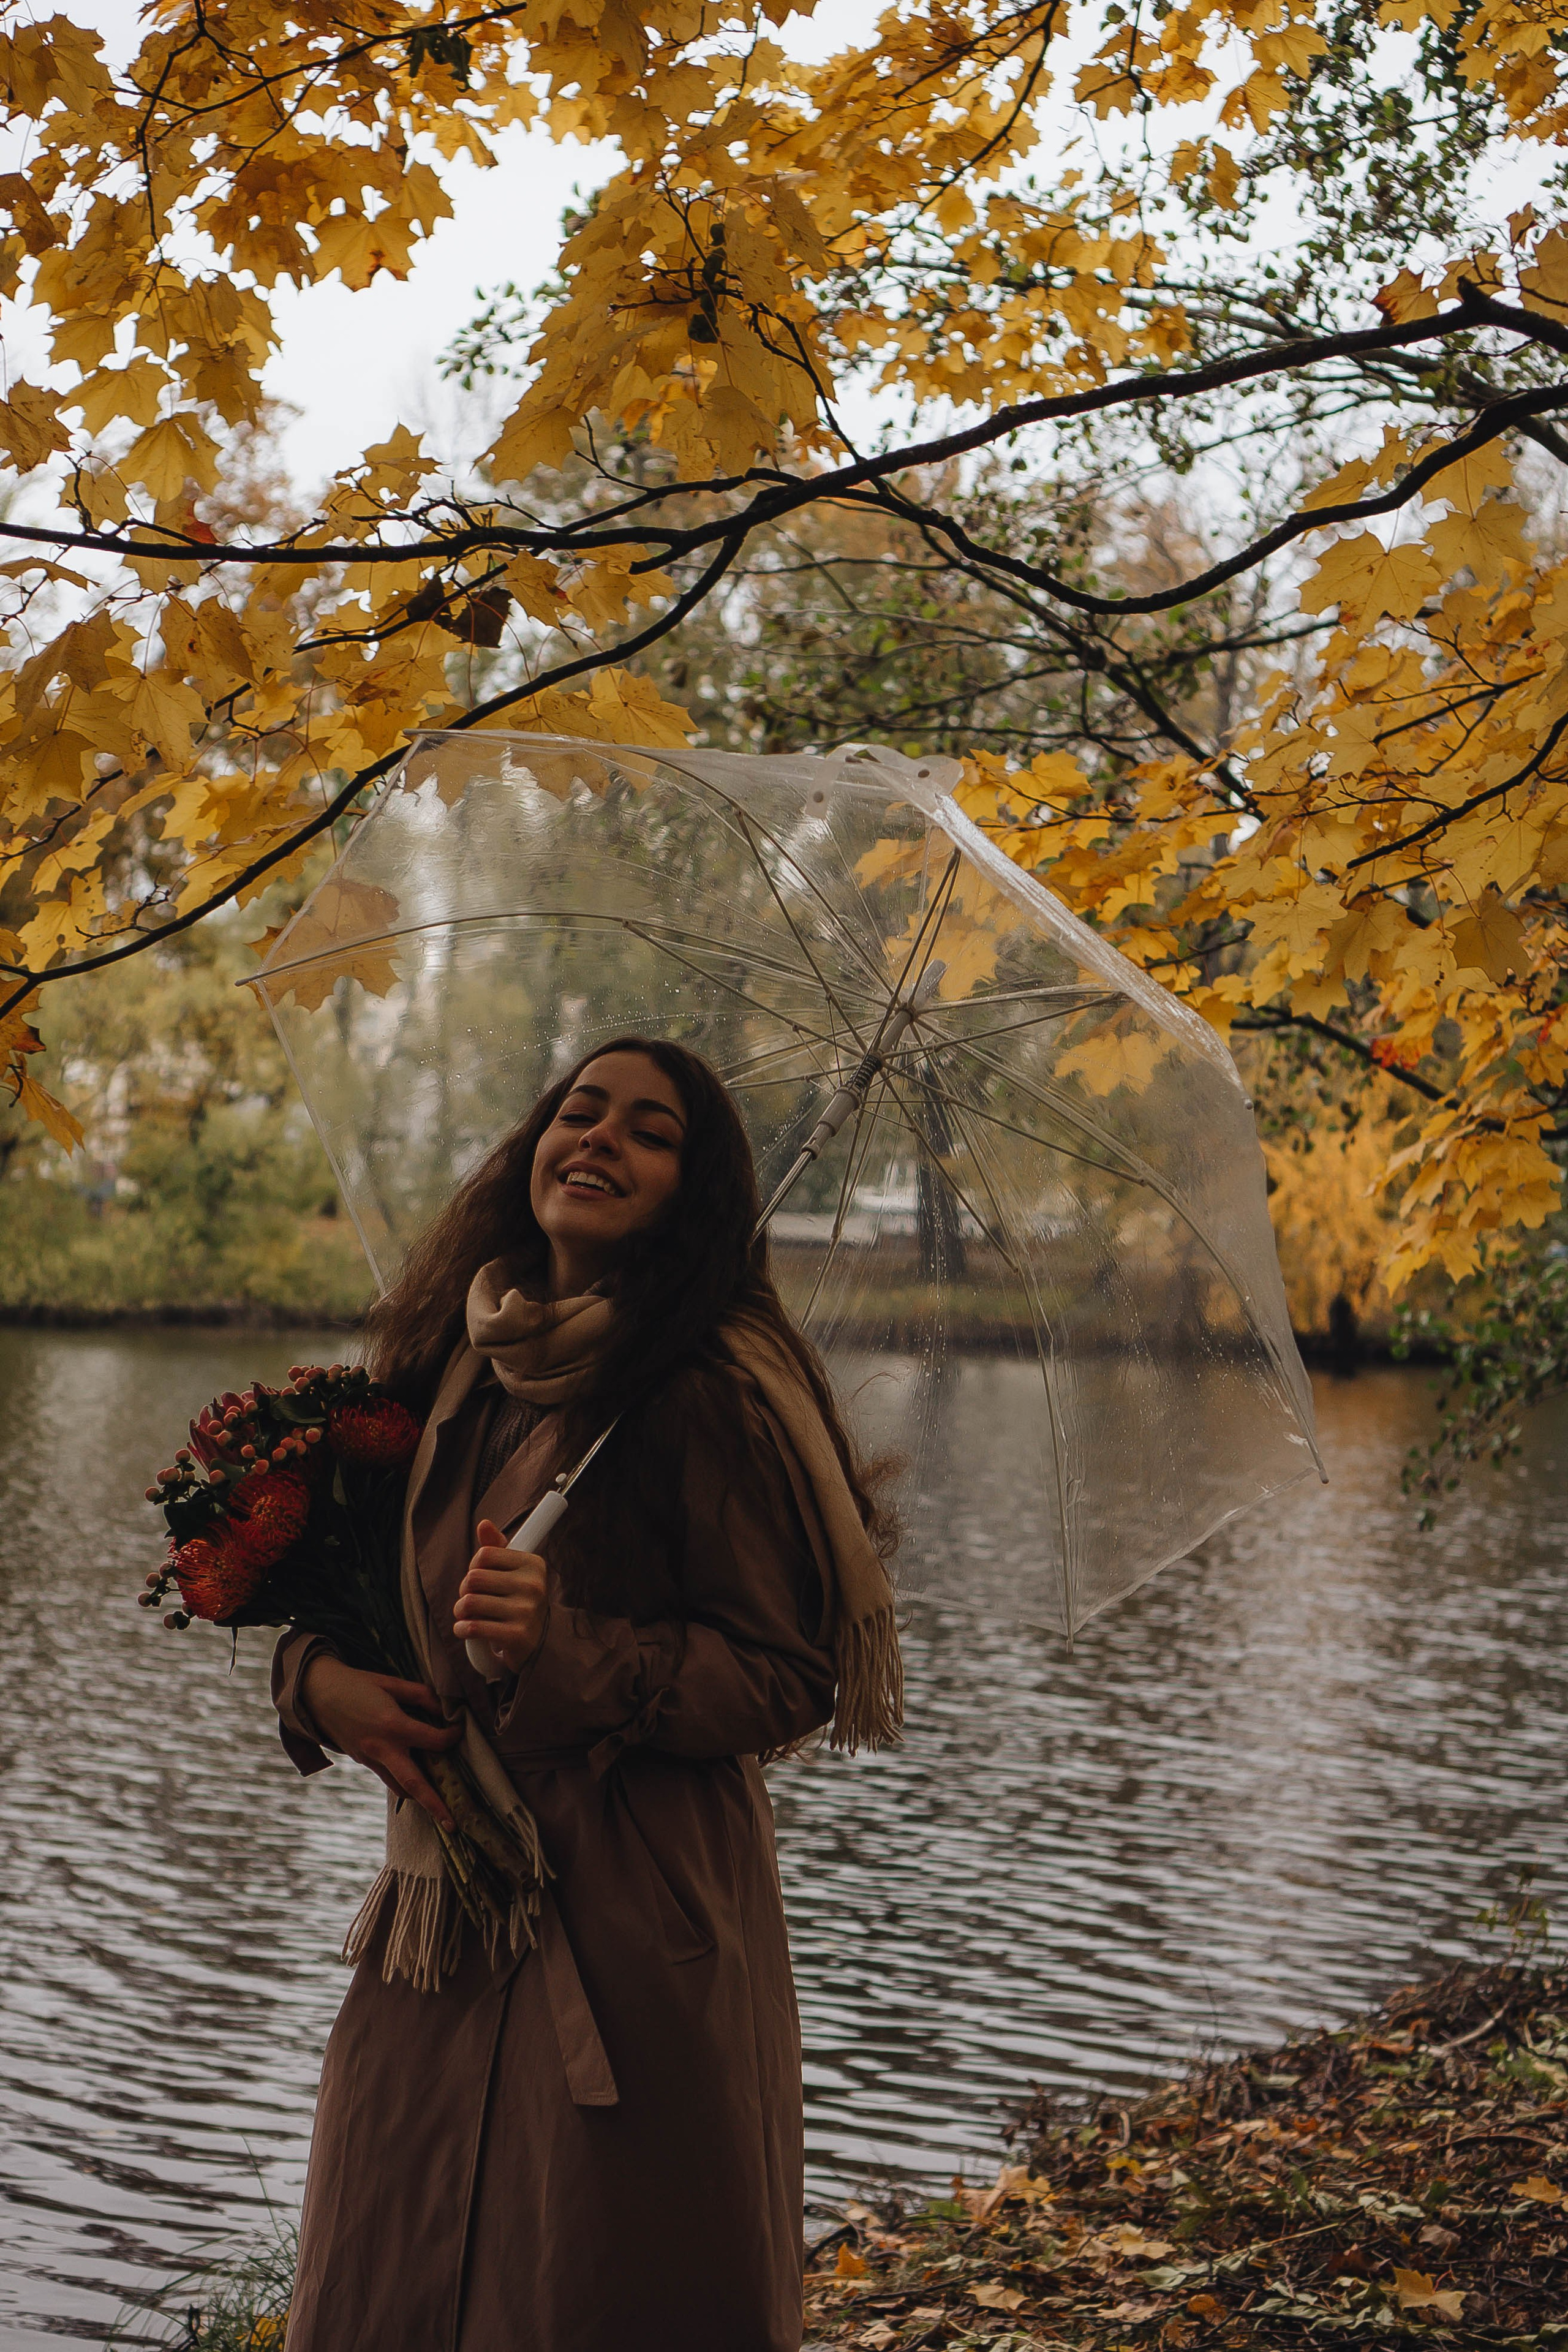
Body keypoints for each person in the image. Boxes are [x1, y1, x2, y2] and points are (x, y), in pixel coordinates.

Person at [270, 1036, 902, 2352]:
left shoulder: (709, 1395)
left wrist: (567, 1648)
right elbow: (341, 1602)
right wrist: (317, 1684)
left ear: (694, 1192)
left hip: (635, 1923)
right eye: (580, 1110)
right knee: (394, 2264)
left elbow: (786, 1671)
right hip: (443, 1909)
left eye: (649, 1131)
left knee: (592, 2284)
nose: (599, 1139)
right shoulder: (448, 1360)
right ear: (534, 1146)